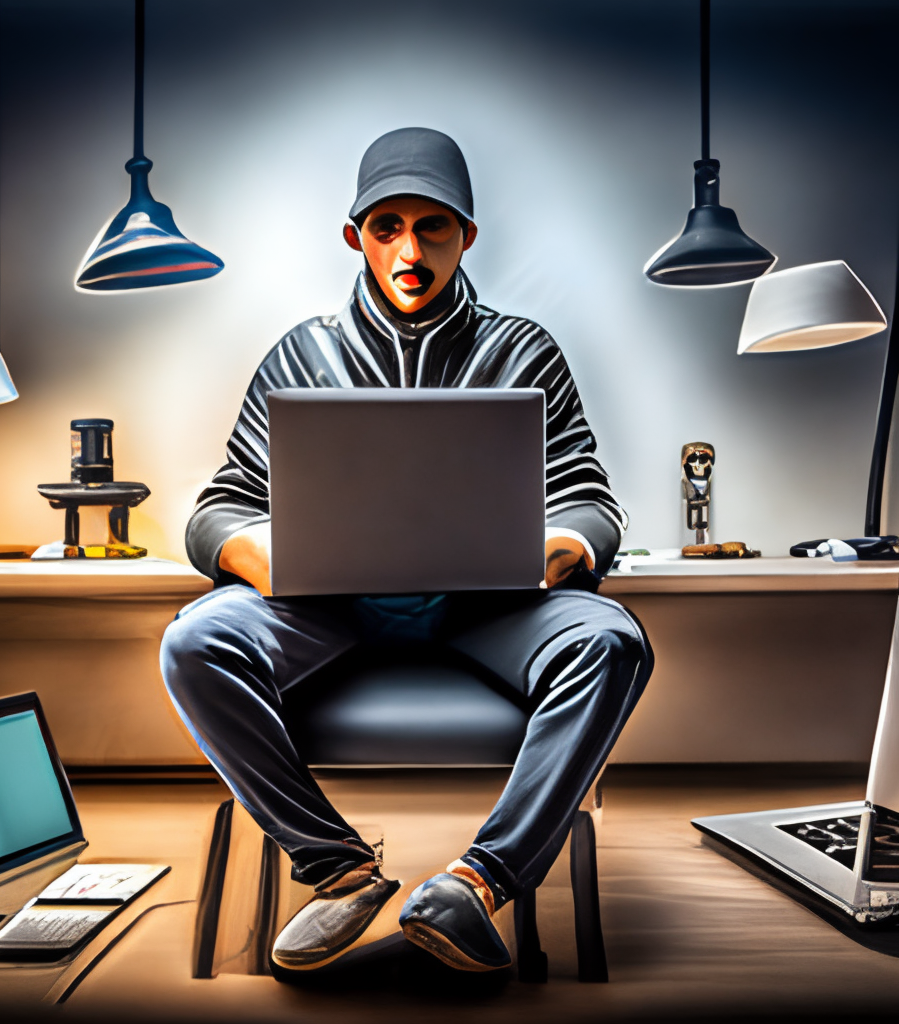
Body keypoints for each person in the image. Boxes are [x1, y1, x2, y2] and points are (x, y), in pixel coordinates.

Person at [161, 127, 653, 975]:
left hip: (488, 610)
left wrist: (557, 550)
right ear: (355, 237)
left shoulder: (525, 350)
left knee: (613, 640)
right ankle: (339, 870)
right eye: (387, 226)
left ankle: (475, 885)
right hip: (327, 610)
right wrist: (263, 558)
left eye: (433, 228)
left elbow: (589, 499)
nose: (411, 249)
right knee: (193, 641)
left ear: (467, 235)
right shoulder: (301, 355)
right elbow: (219, 508)